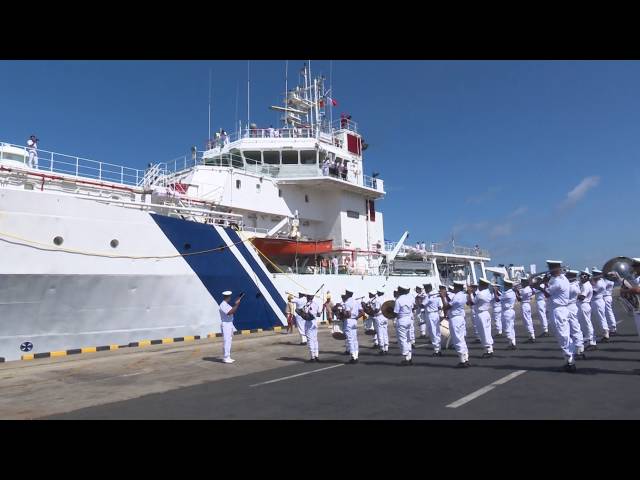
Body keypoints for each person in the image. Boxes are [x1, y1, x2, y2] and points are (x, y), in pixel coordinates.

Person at [532, 260, 577, 372]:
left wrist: (538, 285)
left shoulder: (558, 282)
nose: (548, 270)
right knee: (564, 335)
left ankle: (570, 362)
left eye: (549, 267)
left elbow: (547, 293)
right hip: (560, 309)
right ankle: (569, 359)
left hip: (558, 311)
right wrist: (545, 281)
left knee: (563, 336)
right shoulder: (563, 278)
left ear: (554, 268)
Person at [442, 281, 470, 367]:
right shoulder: (463, 295)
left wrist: (443, 297)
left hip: (455, 319)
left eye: (454, 287)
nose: (453, 289)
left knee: (457, 339)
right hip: (460, 318)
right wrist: (446, 295)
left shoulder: (457, 296)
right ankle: (465, 358)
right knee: (461, 339)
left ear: (457, 288)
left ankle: (462, 360)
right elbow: (452, 303)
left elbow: (446, 306)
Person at [468, 278, 494, 358]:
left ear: (482, 285)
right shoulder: (488, 292)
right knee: (487, 332)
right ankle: (490, 348)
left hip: (481, 314)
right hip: (486, 313)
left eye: (479, 284)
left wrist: (469, 293)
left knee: (483, 332)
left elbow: (472, 303)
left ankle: (488, 350)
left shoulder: (480, 294)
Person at [219, 290, 243, 363]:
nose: (230, 298)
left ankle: (228, 356)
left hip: (229, 324)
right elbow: (230, 312)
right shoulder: (223, 304)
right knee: (227, 340)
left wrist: (236, 304)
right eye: (229, 296)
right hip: (226, 324)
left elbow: (231, 310)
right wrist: (237, 304)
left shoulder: (226, 304)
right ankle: (226, 357)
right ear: (228, 297)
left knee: (229, 340)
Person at [566, 270, 585, 359]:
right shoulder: (575, 285)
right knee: (575, 328)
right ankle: (579, 348)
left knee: (574, 328)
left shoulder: (571, 286)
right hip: (572, 306)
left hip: (570, 307)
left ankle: (578, 349)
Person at [393, 285, 414, 365]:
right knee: (408, 339)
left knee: (402, 339)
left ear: (400, 291)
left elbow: (396, 312)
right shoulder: (409, 299)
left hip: (401, 320)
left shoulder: (398, 300)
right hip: (408, 319)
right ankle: (409, 357)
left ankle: (405, 358)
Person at [578, 270, 596, 350]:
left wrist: (574, 295)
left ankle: (591, 341)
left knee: (587, 324)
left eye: (581, 276)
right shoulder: (586, 284)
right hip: (585, 305)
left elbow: (582, 297)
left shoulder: (585, 285)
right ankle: (590, 340)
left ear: (585, 277)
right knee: (586, 323)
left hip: (584, 305)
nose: (580, 277)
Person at [590, 269, 610, 343]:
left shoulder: (600, 283)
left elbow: (593, 292)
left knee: (601, 318)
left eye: (594, 274)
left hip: (597, 301)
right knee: (601, 317)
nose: (593, 276)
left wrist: (591, 284)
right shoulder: (599, 281)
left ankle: (606, 334)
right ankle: (605, 333)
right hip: (596, 301)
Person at [423, 284, 443, 356]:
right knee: (437, 331)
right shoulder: (437, 296)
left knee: (433, 332)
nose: (425, 290)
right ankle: (439, 348)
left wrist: (418, 300)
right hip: (436, 314)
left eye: (425, 288)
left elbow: (422, 304)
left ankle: (436, 350)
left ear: (428, 289)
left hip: (430, 315)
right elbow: (440, 306)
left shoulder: (428, 296)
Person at [302, 292, 321, 362]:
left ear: (308, 297)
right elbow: (319, 314)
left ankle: (312, 357)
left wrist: (305, 310)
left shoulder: (307, 305)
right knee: (315, 340)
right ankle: (316, 355)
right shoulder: (316, 304)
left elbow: (306, 315)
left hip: (309, 323)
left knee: (310, 340)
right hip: (315, 323)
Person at [499, 279, 517, 350]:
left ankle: (512, 343)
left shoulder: (507, 294)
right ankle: (512, 342)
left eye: (505, 285)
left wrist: (495, 291)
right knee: (511, 327)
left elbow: (498, 298)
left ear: (507, 285)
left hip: (507, 312)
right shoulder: (512, 292)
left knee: (507, 328)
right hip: (511, 311)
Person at [516, 278, 536, 343]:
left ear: (525, 283)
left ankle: (531, 336)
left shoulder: (525, 290)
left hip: (524, 304)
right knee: (529, 320)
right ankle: (532, 335)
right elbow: (533, 292)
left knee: (527, 321)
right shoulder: (529, 288)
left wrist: (516, 292)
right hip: (527, 304)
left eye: (522, 282)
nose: (521, 284)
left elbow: (519, 299)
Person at [343, 289, 360, 363]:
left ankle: (353, 356)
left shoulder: (347, 302)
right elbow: (361, 312)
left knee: (350, 339)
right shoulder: (356, 301)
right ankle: (356, 355)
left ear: (347, 293)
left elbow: (348, 314)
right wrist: (356, 317)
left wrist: (343, 313)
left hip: (349, 320)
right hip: (354, 320)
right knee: (354, 339)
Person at [374, 289, 389, 354]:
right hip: (385, 316)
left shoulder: (378, 299)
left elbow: (377, 309)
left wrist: (371, 311)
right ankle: (386, 348)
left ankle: (382, 348)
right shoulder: (386, 298)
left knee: (380, 332)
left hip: (379, 316)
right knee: (385, 332)